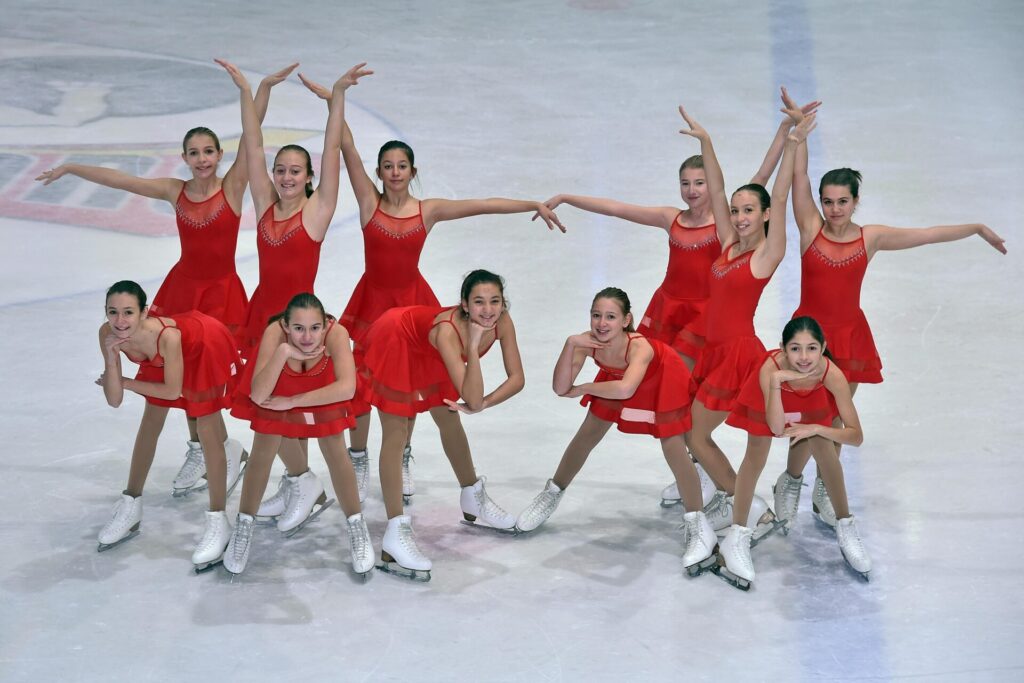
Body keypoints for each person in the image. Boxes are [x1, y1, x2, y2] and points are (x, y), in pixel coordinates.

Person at [297, 71, 565, 506]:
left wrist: (530, 204)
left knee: (423, 386)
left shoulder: (429, 210)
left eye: (402, 166)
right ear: (380, 172)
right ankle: (360, 455)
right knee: (364, 382)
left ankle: (401, 452)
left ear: (412, 170)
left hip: (412, 304)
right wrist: (336, 101)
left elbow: (482, 205)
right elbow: (345, 146)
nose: (395, 173)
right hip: (372, 303)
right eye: (388, 167)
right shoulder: (369, 203)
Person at [36, 65, 294, 495]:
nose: (202, 159)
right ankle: (206, 449)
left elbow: (253, 136)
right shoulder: (175, 191)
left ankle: (218, 449)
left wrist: (258, 90)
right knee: (173, 380)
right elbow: (125, 180)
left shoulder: (231, 188)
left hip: (219, 297)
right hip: (181, 291)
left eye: (208, 151)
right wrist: (74, 167)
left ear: (219, 155)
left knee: (202, 384)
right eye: (193, 153)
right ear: (185, 158)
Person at [776, 88, 1007, 527]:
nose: (834, 209)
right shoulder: (809, 228)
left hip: (848, 337)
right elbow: (799, 178)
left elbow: (928, 234)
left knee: (837, 418)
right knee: (810, 416)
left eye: (843, 201)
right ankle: (789, 482)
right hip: (807, 339)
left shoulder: (872, 237)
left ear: (856, 201)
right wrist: (799, 134)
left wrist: (975, 227)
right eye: (829, 201)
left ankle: (827, 488)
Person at [217, 59, 370, 529]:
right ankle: (299, 479)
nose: (284, 177)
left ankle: (303, 480)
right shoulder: (263, 205)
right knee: (263, 406)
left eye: (294, 171)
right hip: (260, 318)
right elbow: (252, 143)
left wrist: (338, 96)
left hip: (300, 325)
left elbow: (330, 149)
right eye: (280, 170)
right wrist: (250, 90)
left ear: (308, 178)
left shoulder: (317, 211)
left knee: (291, 404)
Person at [675, 105, 815, 536]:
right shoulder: (729, 244)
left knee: (694, 436)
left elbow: (781, 188)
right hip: (709, 349)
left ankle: (747, 508)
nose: (737, 217)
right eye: (735, 211)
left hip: (735, 355)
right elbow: (717, 190)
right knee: (689, 434)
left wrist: (793, 145)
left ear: (766, 214)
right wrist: (707, 144)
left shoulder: (765, 255)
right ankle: (739, 501)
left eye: (748, 210)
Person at [516, 288, 718, 576]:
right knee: (586, 435)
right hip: (618, 381)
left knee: (672, 446)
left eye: (611, 316)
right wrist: (571, 343)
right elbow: (560, 388)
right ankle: (551, 494)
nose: (601, 323)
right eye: (596, 315)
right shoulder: (587, 343)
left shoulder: (640, 347)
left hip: (663, 378)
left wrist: (585, 387)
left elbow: (625, 388)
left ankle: (698, 525)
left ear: (626, 320)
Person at [359, 270, 524, 581]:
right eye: (478, 302)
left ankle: (472, 494)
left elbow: (517, 379)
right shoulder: (449, 333)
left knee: (449, 418)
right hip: (396, 339)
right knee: (396, 432)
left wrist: (485, 402)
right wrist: (473, 349)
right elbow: (471, 400)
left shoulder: (502, 321)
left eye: (495, 301)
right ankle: (394, 535)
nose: (488, 310)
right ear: (464, 304)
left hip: (428, 349)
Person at [96, 281, 241, 571]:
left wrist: (127, 382)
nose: (120, 321)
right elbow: (114, 400)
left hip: (203, 345)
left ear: (144, 312)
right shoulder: (106, 334)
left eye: (128, 312)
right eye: (113, 312)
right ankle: (131, 504)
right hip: (161, 355)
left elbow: (172, 390)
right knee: (151, 420)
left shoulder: (167, 337)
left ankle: (218, 520)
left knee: (206, 425)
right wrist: (112, 359)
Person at [715, 316, 868, 589]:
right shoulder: (770, 369)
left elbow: (855, 436)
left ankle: (845, 524)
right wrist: (777, 381)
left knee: (824, 447)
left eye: (811, 348)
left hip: (811, 402)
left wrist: (816, 428)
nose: (804, 357)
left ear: (823, 347)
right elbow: (776, 428)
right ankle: (738, 534)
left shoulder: (832, 375)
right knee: (755, 456)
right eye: (795, 348)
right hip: (772, 396)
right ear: (783, 349)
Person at [226, 293, 372, 576]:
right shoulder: (274, 334)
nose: (307, 337)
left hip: (323, 386)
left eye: (315, 328)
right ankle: (243, 527)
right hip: (277, 382)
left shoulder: (337, 334)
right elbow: (258, 395)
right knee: (262, 449)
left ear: (325, 326)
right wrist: (282, 353)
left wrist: (293, 401)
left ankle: (356, 526)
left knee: (335, 450)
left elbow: (347, 388)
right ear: (285, 326)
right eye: (298, 328)